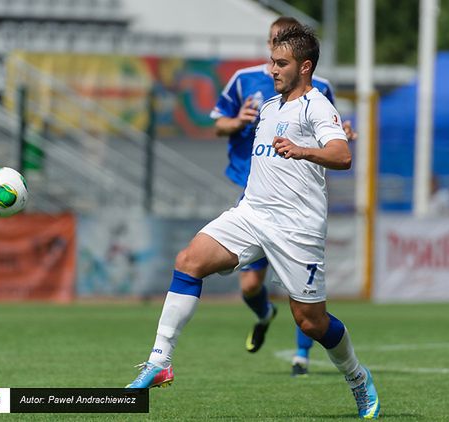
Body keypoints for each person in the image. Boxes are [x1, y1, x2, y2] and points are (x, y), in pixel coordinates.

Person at [127, 25, 380, 420]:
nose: (272, 70)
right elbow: (227, 130)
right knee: (189, 261)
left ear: (305, 66)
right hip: (251, 213)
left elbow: (341, 155)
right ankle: (160, 361)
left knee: (311, 322)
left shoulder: (316, 106)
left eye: (281, 64)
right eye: (272, 61)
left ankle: (357, 378)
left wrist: (302, 150)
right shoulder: (268, 107)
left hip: (297, 227)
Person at [210, 16, 356, 377]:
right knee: (248, 286)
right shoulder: (248, 83)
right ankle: (262, 313)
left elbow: (331, 133)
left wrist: (333, 136)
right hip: (255, 198)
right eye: (273, 45)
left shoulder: (316, 90)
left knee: (306, 311)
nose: (274, 61)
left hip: (296, 202)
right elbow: (218, 124)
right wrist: (238, 121)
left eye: (283, 52)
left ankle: (304, 356)